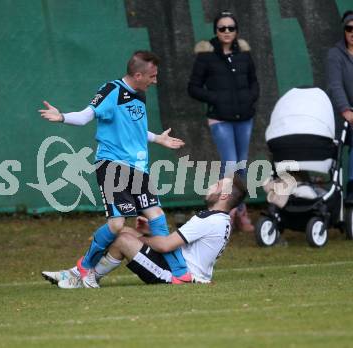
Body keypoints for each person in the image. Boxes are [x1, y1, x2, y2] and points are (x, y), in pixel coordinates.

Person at [39, 51, 190, 288]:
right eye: (152, 76)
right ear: (138, 75)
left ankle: (182, 273)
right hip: (113, 166)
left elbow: (134, 131)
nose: (155, 80)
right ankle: (83, 268)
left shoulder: (139, 95)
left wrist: (157, 139)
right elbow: (84, 117)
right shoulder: (111, 91)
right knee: (117, 224)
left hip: (139, 169)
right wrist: (61, 117)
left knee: (157, 217)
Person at [43, 176, 247, 288]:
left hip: (176, 275)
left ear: (225, 194)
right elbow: (181, 242)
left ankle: (86, 277)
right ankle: (82, 275)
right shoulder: (219, 219)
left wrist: (140, 236)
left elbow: (166, 245)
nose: (211, 185)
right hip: (178, 265)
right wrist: (148, 231)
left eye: (217, 184)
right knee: (125, 231)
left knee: (123, 238)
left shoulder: (209, 220)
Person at [187, 10, 259, 232]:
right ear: (216, 32)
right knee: (230, 165)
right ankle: (221, 214)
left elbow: (254, 84)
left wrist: (248, 100)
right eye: (222, 28)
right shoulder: (206, 56)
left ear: (236, 31)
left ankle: (239, 212)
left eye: (231, 28)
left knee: (241, 166)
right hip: (220, 119)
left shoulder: (244, 55)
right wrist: (217, 99)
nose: (227, 32)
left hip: (244, 118)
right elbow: (193, 88)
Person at [327, 10, 353, 203]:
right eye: (349, 29)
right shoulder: (335, 54)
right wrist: (346, 110)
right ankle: (350, 188)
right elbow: (335, 85)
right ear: (344, 31)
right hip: (342, 115)